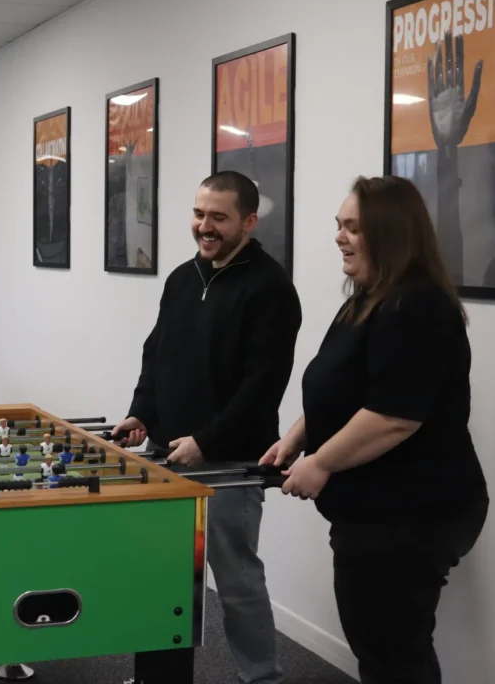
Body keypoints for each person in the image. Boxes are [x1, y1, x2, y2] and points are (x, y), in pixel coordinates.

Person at [261, 175, 488, 684]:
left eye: (353, 228)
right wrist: (296, 438)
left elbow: (394, 416)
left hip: (413, 513)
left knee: (393, 652)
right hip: (379, 509)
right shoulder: (367, 299)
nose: (339, 237)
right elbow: (343, 388)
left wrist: (319, 462)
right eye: (339, 226)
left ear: (390, 233)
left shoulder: (418, 306)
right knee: (379, 642)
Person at [111, 171, 302, 684]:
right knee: (161, 575)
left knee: (236, 581)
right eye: (199, 214)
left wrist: (206, 441)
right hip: (165, 455)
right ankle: (160, 674)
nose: (205, 226)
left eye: (218, 217)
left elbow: (261, 388)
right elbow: (157, 355)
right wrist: (141, 411)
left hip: (229, 463)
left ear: (249, 221)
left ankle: (261, 677)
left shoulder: (271, 289)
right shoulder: (180, 278)